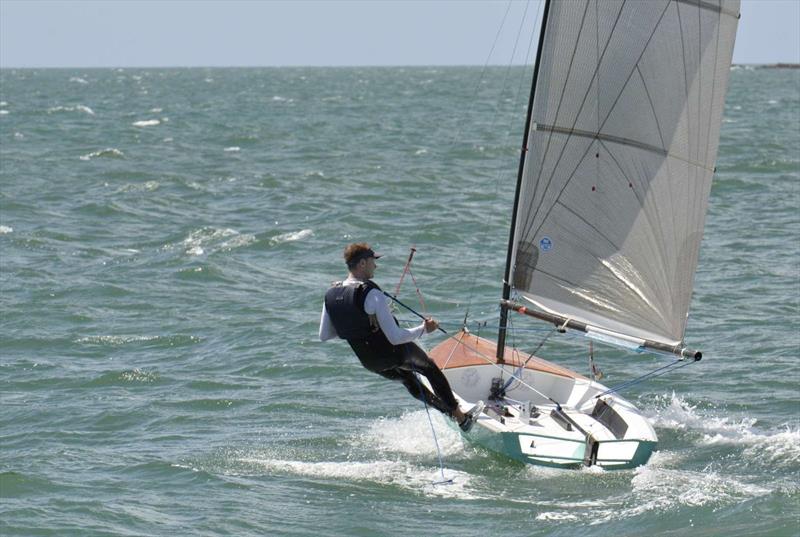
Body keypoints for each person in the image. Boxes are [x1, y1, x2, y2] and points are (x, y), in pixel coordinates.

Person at [319, 242, 484, 432]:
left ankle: (448, 413)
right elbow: (396, 337)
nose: (376, 265)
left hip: (369, 361)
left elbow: (325, 335)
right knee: (429, 368)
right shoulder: (372, 295)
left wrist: (356, 326)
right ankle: (461, 418)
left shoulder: (330, 294)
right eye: (373, 261)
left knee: (408, 379)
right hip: (392, 352)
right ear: (362, 263)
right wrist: (424, 329)